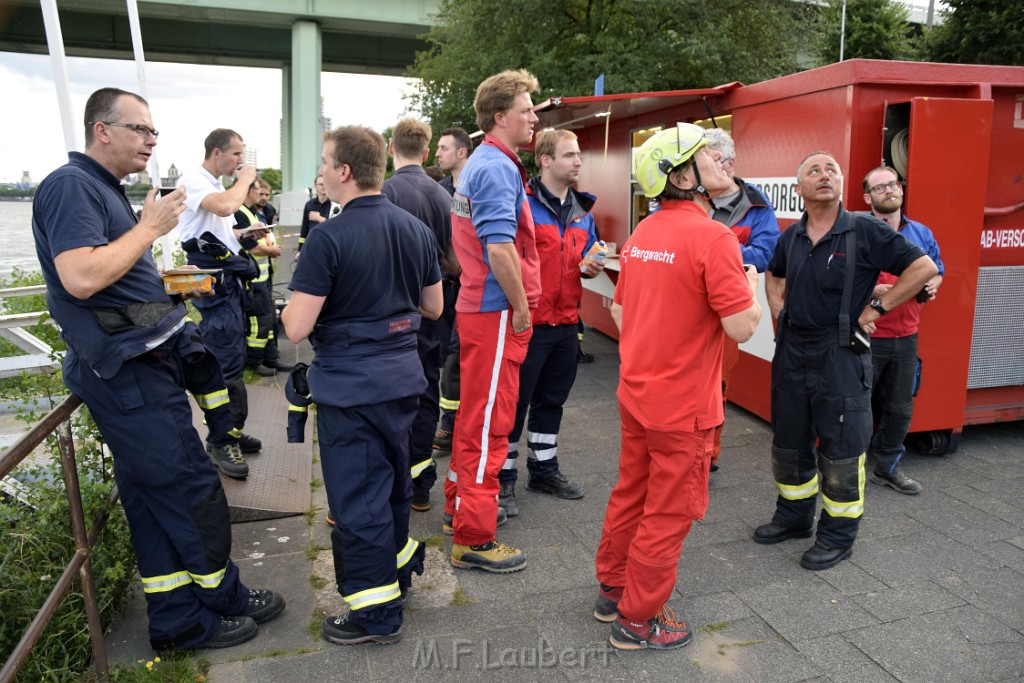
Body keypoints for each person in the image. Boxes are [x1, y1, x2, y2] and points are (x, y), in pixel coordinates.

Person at [31, 87, 284, 652]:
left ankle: (176, 620)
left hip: (143, 362)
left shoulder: (102, 190)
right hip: (127, 373)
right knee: (190, 485)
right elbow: (81, 278)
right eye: (141, 129)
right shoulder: (71, 187)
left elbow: (115, 275)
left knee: (151, 497)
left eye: (154, 132)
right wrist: (149, 229)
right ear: (102, 130)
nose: (151, 140)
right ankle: (223, 598)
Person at [593, 123, 760, 650]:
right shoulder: (713, 238)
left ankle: (612, 590)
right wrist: (751, 291)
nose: (714, 162)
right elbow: (741, 327)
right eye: (701, 157)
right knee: (668, 512)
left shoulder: (644, 235)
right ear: (681, 175)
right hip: (684, 406)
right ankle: (638, 620)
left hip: (638, 395)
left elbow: (620, 311)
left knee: (630, 495)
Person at [282, 125, 442, 646]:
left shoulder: (328, 237)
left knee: (357, 501)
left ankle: (375, 616)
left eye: (326, 163)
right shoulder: (415, 229)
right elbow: (434, 307)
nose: (322, 173)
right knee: (393, 486)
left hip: (351, 390)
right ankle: (394, 580)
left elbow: (297, 328)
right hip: (403, 383)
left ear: (345, 171)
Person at [754, 152, 938, 571]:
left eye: (831, 169)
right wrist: (776, 305)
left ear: (841, 183)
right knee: (789, 441)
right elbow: (774, 273)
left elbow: (922, 268)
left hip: (839, 353)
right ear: (799, 189)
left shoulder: (864, 230)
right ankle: (794, 516)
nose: (824, 176)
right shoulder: (792, 236)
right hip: (792, 353)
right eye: (813, 171)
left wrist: (877, 309)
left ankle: (838, 536)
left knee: (840, 450)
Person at [444, 69, 541, 573]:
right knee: (490, 423)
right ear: (500, 116)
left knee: (473, 416)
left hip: (480, 309)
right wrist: (522, 309)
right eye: (526, 109)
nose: (535, 117)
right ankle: (474, 536)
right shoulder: (498, 168)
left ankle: (458, 506)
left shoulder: (483, 163)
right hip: (496, 311)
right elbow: (500, 246)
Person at [498, 128, 601, 516]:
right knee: (515, 404)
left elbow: (584, 258)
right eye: (570, 155)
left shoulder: (582, 210)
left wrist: (590, 266)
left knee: (552, 402)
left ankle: (543, 470)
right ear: (545, 160)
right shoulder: (521, 204)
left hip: (566, 324)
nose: (578, 162)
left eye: (578, 155)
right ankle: (502, 479)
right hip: (529, 323)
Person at [380, 116, 458, 513]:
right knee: (428, 392)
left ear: (391, 148)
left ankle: (389, 484)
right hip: (436, 310)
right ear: (426, 152)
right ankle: (422, 484)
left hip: (394, 311)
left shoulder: (383, 192)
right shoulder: (444, 196)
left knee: (390, 398)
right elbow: (458, 261)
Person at [177, 128, 264, 473]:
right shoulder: (196, 179)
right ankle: (220, 441)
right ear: (217, 153)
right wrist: (246, 179)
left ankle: (231, 429)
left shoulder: (212, 185)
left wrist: (243, 235)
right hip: (211, 286)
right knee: (223, 362)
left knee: (233, 357)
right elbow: (227, 207)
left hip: (226, 285)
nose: (241, 161)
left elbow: (216, 229)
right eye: (236, 154)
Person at [862, 166, 944, 495]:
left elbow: (938, 269)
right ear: (868, 198)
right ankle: (843, 469)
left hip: (906, 337)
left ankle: (886, 467)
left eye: (893, 184)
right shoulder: (859, 233)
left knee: (899, 409)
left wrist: (934, 285)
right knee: (855, 408)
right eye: (880, 188)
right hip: (867, 337)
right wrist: (873, 291)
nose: (889, 191)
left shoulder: (921, 232)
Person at [703, 128, 781, 471]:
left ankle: (707, 457)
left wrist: (716, 250)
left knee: (715, 386)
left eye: (711, 159)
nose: (702, 168)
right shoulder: (688, 198)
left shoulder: (758, 207)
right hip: (683, 309)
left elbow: (765, 255)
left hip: (725, 314)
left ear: (729, 163)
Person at [432, 126, 474, 458]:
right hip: (442, 288)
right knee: (441, 354)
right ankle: (443, 418)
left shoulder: (478, 187)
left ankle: (450, 424)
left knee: (458, 360)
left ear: (462, 152)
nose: (438, 153)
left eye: (444, 148)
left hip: (470, 288)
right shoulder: (438, 191)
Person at [234, 182, 286, 376]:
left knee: (270, 318)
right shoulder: (239, 213)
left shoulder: (252, 212)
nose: (261, 195)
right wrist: (272, 250)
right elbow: (251, 246)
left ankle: (270, 358)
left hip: (263, 275)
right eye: (258, 190)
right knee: (259, 321)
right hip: (253, 279)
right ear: (249, 191)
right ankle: (254, 363)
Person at [297, 174, 331, 255]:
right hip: (312, 246)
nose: (324, 186)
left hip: (328, 246)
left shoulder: (334, 204)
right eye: (321, 184)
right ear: (315, 186)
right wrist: (300, 250)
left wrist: (319, 218)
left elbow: (336, 225)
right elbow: (304, 228)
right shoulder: (309, 205)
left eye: (326, 183)